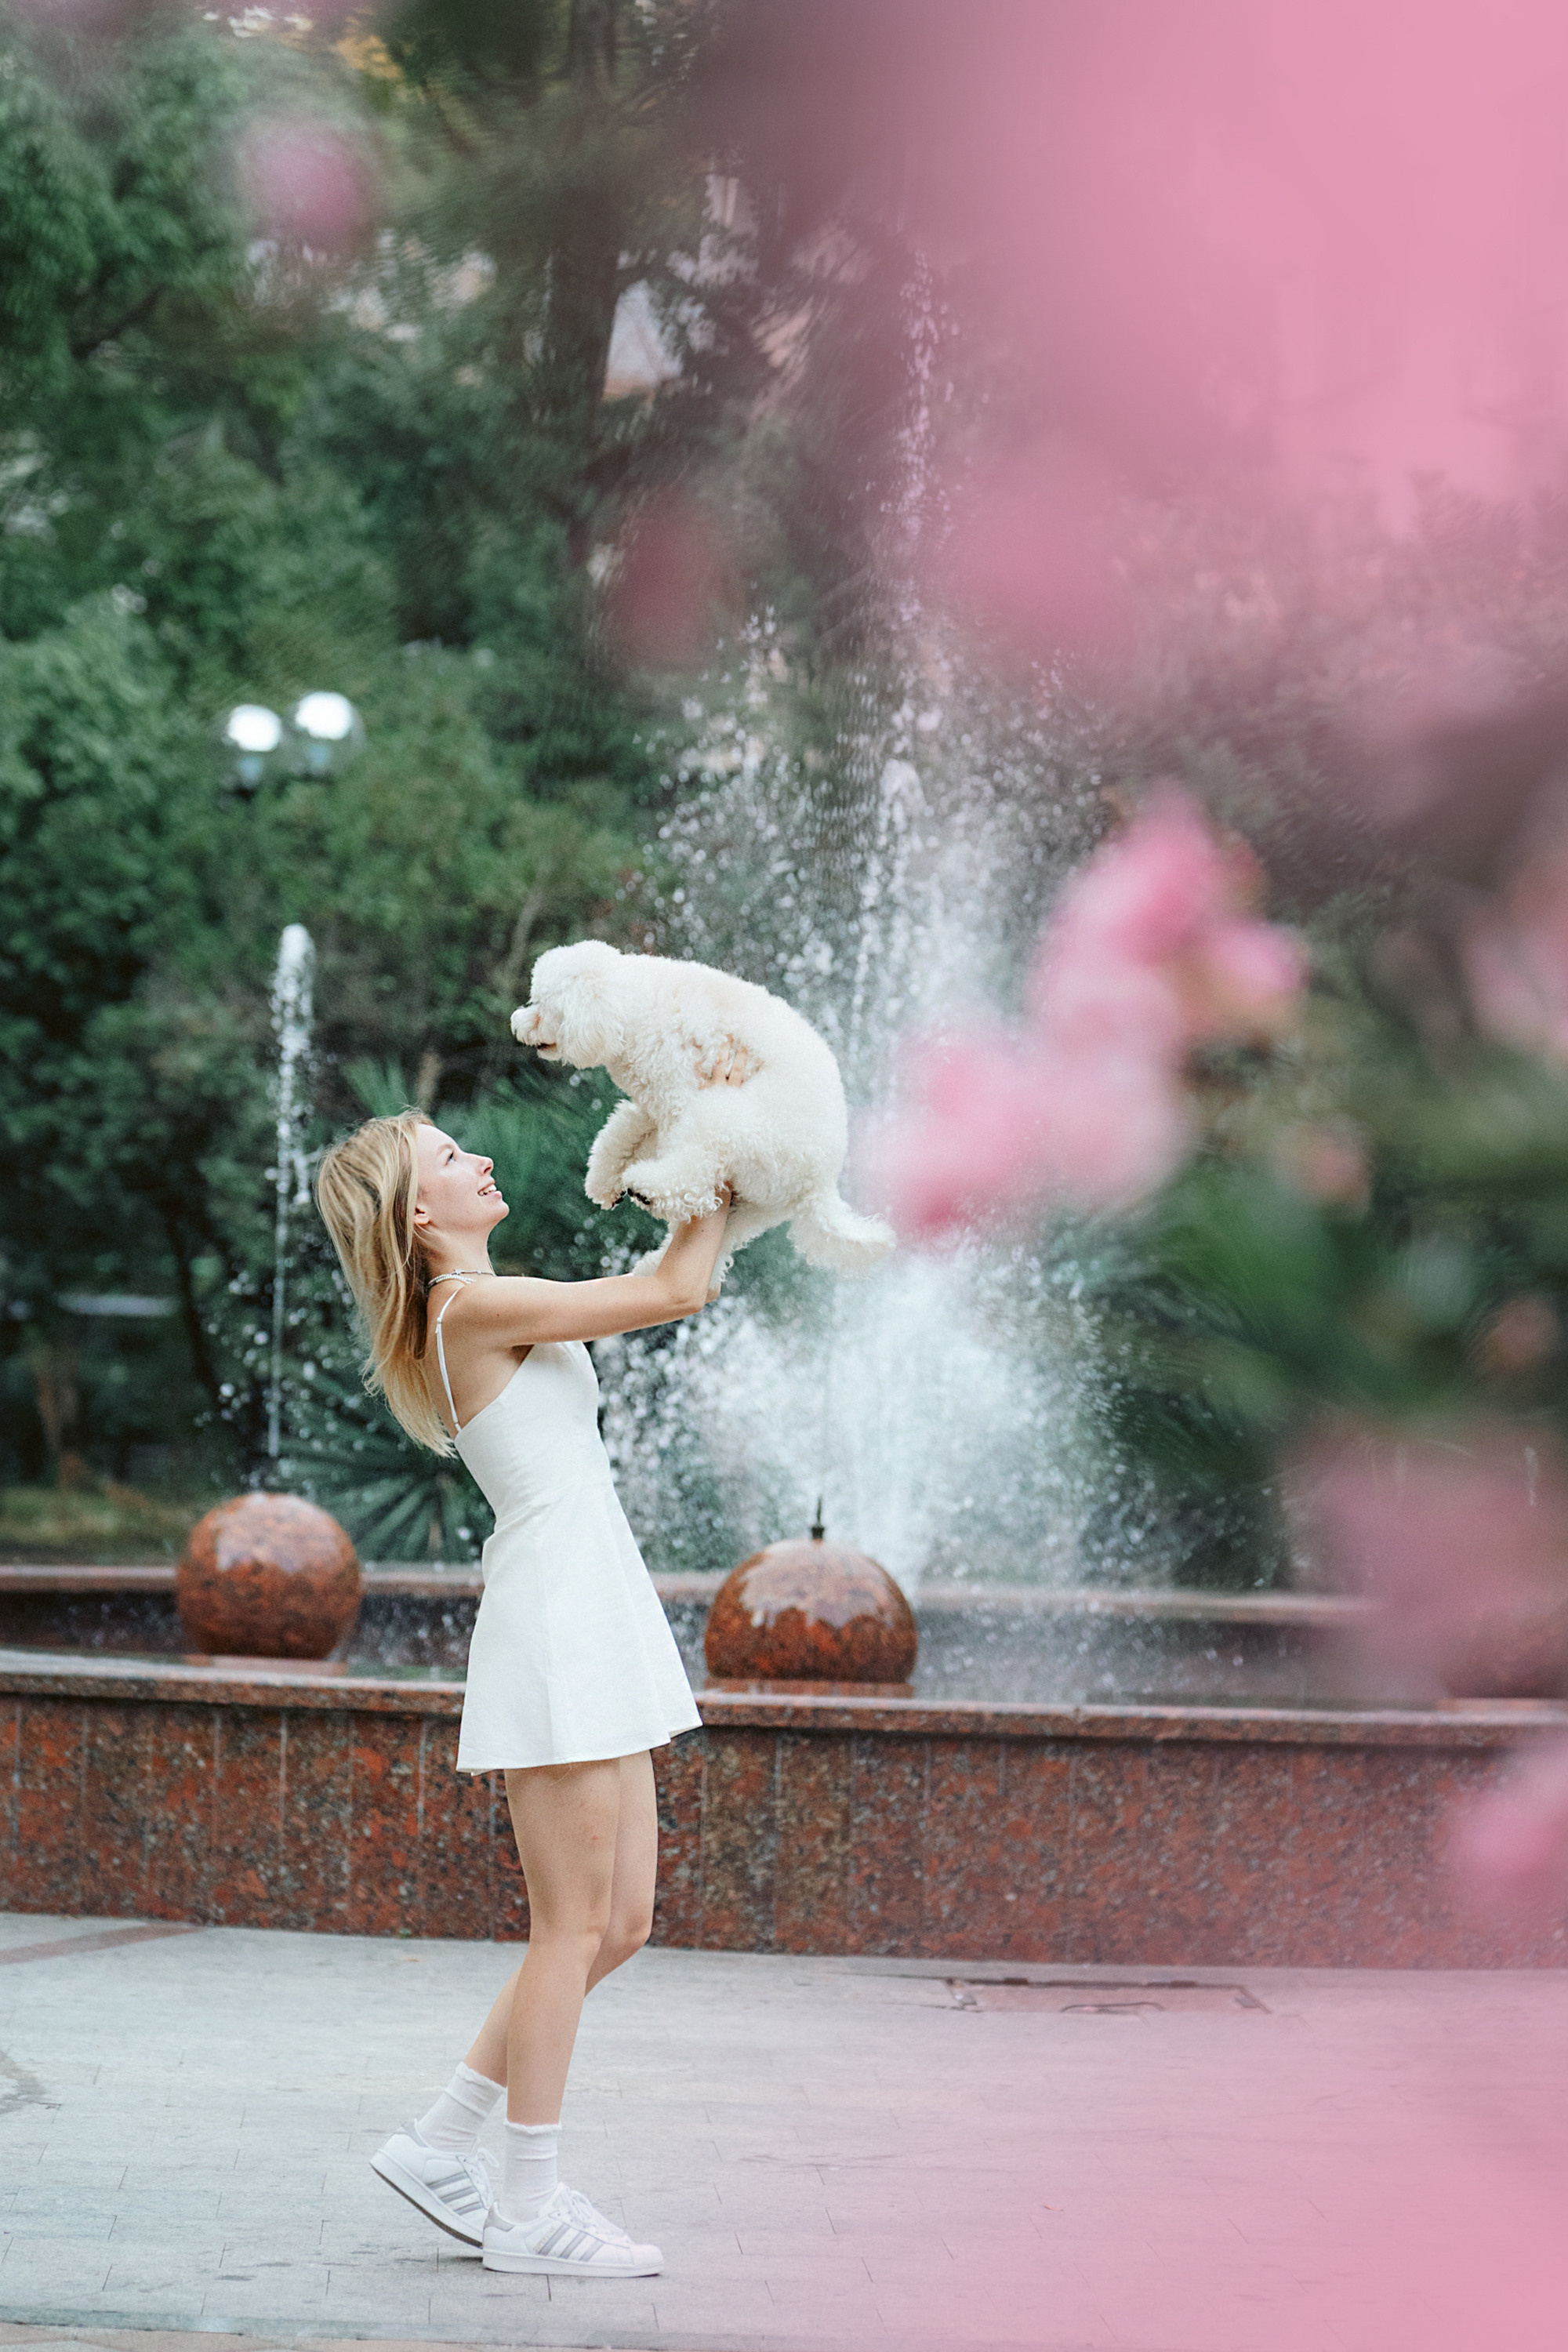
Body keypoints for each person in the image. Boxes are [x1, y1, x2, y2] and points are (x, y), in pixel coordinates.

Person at [314, 1051, 745, 2278]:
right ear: (417, 1213)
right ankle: (526, 2208)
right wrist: (719, 1132)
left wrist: (720, 1147)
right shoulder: (465, 1309)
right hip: (557, 1620)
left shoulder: (485, 1301)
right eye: (453, 1157)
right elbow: (673, 1289)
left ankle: (442, 2141)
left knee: (623, 1923)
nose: (482, 1159)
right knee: (570, 1928)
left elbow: (689, 1274)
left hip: (594, 1608)